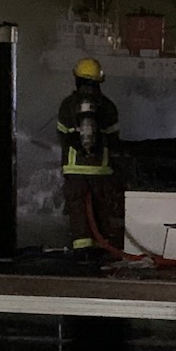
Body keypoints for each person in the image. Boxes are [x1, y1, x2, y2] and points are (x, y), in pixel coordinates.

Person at [57, 57, 124, 260]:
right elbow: (114, 141)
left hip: (75, 172)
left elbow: (62, 136)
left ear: (77, 79)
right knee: (101, 214)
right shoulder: (109, 106)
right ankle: (100, 252)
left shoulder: (67, 105)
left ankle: (81, 255)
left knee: (79, 215)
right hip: (101, 172)